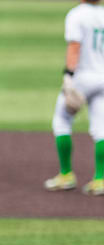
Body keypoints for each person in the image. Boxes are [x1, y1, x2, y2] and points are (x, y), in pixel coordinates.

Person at [45, 0, 104, 195]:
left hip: (82, 78)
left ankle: (66, 174)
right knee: (101, 129)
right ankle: (100, 179)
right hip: (102, 77)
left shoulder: (77, 14)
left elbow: (74, 47)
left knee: (61, 120)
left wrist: (68, 76)